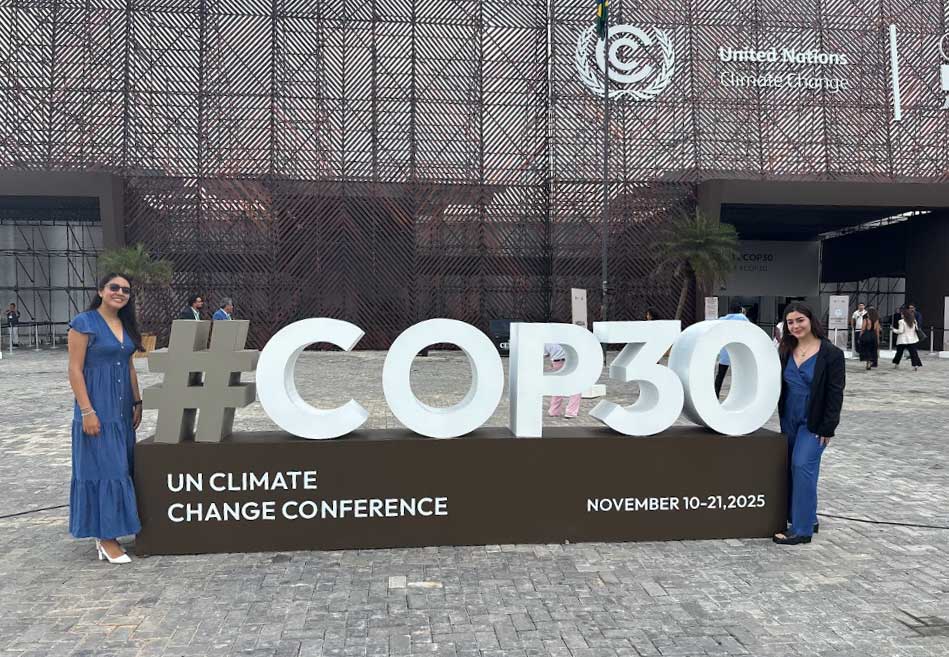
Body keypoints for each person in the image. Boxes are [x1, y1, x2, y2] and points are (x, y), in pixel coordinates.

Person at [67, 273, 144, 564]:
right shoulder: (84, 323)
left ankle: (118, 528)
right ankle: (106, 538)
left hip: (122, 411)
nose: (120, 293)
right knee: (106, 470)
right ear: (100, 290)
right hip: (96, 409)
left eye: (125, 290)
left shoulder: (125, 325)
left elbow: (130, 367)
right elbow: (75, 370)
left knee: (122, 468)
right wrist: (87, 411)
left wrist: (137, 401)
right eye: (114, 287)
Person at [773, 302, 845, 546]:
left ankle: (802, 530)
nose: (795, 326)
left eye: (799, 320)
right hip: (789, 419)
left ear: (810, 320)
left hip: (814, 422)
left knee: (802, 465)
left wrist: (828, 427)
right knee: (791, 469)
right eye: (790, 322)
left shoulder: (831, 354)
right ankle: (806, 516)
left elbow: (836, 394)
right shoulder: (784, 351)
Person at [714, 304, 749, 399]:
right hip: (738, 352)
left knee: (720, 375)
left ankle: (715, 394)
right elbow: (749, 328)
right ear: (740, 310)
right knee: (740, 374)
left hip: (725, 351)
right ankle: (741, 395)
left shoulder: (722, 319)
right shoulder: (741, 317)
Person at [545, 343, 581, 419]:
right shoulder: (569, 338)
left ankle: (554, 411)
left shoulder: (549, 340)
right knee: (576, 387)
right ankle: (571, 412)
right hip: (571, 361)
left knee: (558, 386)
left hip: (556, 362)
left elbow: (545, 354)